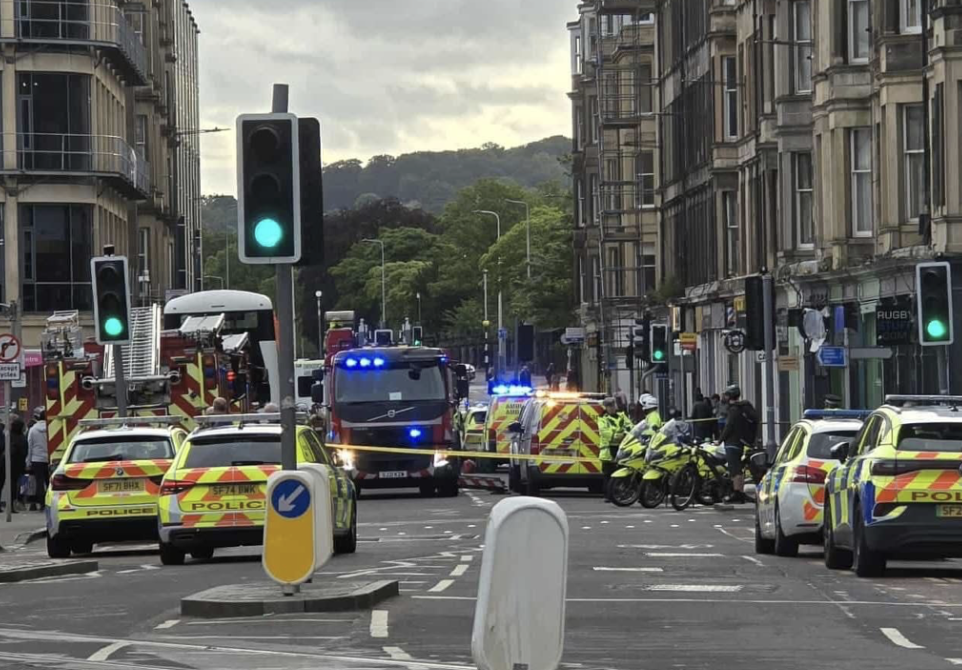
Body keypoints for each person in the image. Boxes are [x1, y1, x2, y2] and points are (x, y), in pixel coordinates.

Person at [718, 384, 759, 503]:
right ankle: (739, 492)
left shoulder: (734, 409)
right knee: (738, 469)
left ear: (730, 396)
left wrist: (720, 440)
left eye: (726, 394)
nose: (724, 397)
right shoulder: (743, 407)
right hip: (740, 442)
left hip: (732, 442)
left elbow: (729, 426)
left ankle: (738, 493)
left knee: (734, 469)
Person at [599, 397, 632, 502]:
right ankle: (608, 495)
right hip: (608, 450)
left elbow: (630, 427)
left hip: (621, 448)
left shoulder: (622, 416)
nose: (611, 408)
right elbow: (605, 432)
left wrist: (625, 434)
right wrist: (619, 435)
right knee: (608, 474)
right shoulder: (602, 418)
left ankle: (621, 493)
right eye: (609, 406)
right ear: (606, 408)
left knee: (622, 472)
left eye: (612, 406)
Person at [26, 408, 48, 511]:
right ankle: (49, 503)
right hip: (49, 458)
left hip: (36, 459)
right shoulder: (50, 428)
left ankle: (41, 503)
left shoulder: (33, 429)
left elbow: (29, 446)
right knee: (49, 482)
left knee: (39, 482)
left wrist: (28, 461)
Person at [9, 418, 26, 512]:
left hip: (11, 463)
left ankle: (13, 504)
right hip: (18, 464)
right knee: (16, 484)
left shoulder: (10, 436)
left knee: (13, 484)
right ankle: (15, 503)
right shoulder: (21, 437)